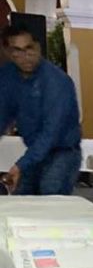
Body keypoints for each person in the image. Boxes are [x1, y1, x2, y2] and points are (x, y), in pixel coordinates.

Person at [0, 25, 81, 195]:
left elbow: (51, 133)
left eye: (29, 48)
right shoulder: (8, 76)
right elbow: (3, 115)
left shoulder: (57, 82)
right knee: (21, 198)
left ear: (38, 47)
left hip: (62, 151)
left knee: (50, 193)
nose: (25, 56)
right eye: (17, 50)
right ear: (8, 52)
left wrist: (20, 165)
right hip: (34, 151)